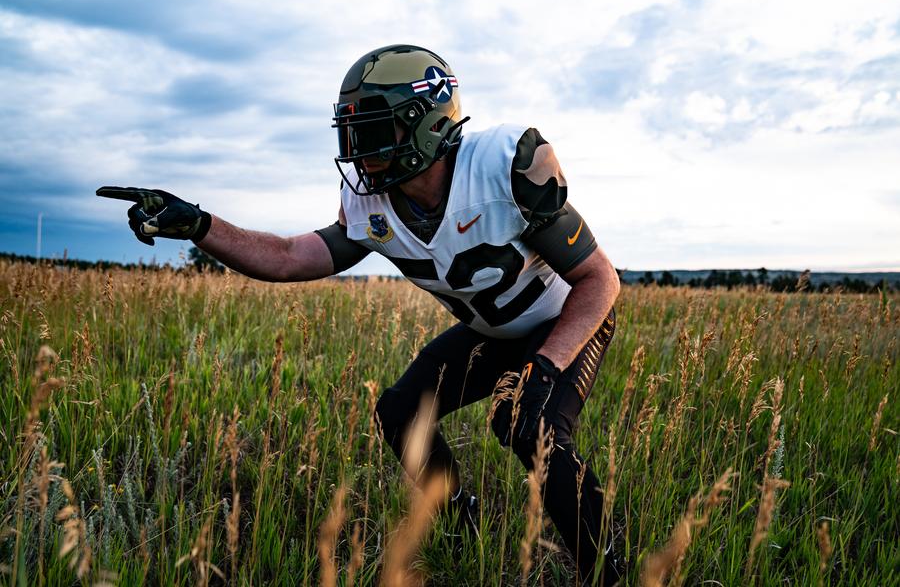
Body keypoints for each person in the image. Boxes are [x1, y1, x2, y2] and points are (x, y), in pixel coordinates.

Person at [98, 44, 621, 585]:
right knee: (400, 413)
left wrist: (549, 365)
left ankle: (607, 568)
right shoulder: (374, 204)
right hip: (492, 330)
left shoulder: (503, 168)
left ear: (425, 123)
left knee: (525, 423)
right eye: (352, 135)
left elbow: (599, 279)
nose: (359, 154)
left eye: (372, 133)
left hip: (566, 320)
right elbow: (287, 257)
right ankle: (460, 518)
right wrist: (201, 225)